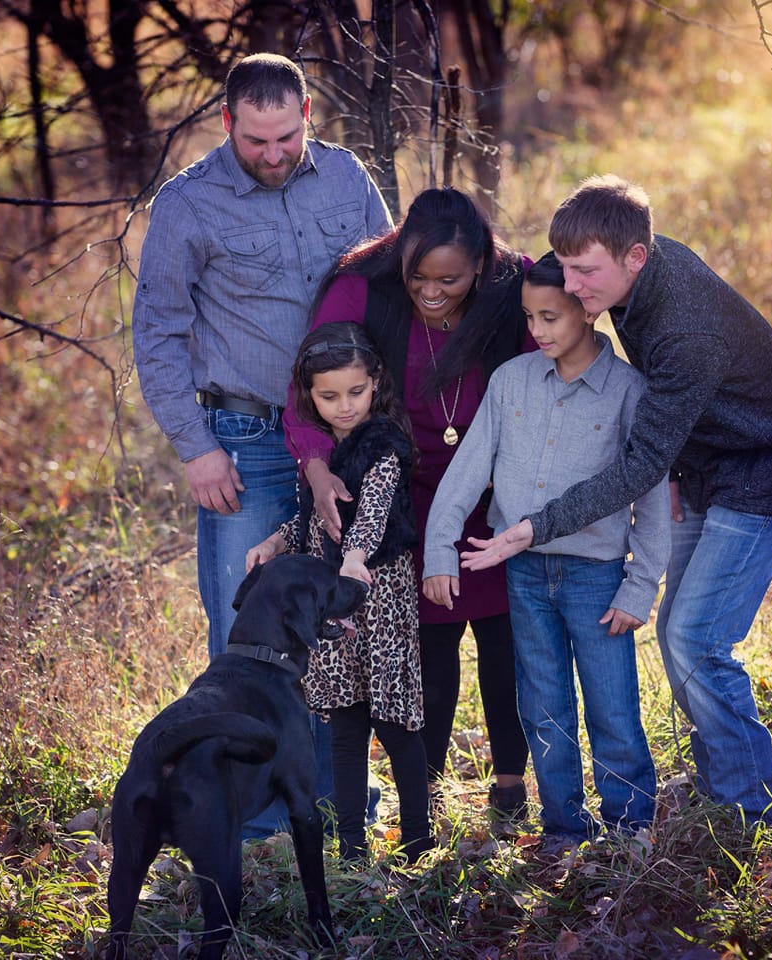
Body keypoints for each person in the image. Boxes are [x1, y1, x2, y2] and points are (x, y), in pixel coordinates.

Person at [461, 176, 772, 827]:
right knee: (675, 631)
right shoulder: (644, 269)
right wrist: (680, 468)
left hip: (770, 474)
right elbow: (667, 413)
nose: (572, 287)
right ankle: (722, 785)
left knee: (696, 637)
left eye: (585, 271)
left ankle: (754, 810)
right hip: (709, 467)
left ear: (634, 257)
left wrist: (535, 526)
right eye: (566, 268)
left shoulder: (684, 326)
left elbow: (637, 466)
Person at [133, 53, 391, 834]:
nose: (273, 153)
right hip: (243, 443)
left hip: (344, 437)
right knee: (246, 638)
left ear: (307, 113)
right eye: (255, 140)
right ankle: (245, 817)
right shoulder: (188, 205)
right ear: (226, 124)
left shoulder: (347, 178)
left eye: (285, 136)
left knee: (338, 628)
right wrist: (195, 447)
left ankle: (321, 797)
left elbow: (392, 286)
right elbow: (158, 331)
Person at [285, 188, 533, 821]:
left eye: (449, 279)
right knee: (432, 647)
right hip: (403, 493)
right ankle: (431, 796)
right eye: (417, 275)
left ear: (481, 265)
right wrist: (317, 463)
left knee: (506, 646)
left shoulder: (515, 289)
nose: (431, 292)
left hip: (497, 495)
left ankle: (510, 787)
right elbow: (307, 381)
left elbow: (557, 364)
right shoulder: (362, 286)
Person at [423, 253, 670, 841]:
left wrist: (641, 585)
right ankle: (563, 828)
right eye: (530, 317)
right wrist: (439, 548)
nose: (537, 330)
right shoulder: (511, 381)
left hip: (598, 577)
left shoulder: (629, 392)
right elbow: (466, 470)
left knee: (611, 707)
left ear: (588, 310)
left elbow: (653, 497)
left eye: (551, 318)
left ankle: (629, 828)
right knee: (542, 705)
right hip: (525, 574)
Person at [246, 323, 432, 865]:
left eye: (355, 392)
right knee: (346, 722)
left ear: (375, 382)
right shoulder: (322, 453)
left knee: (395, 720)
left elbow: (373, 509)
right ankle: (351, 845)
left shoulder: (384, 443)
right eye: (328, 397)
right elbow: (309, 519)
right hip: (333, 605)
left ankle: (418, 842)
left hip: (381, 596)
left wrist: (354, 557)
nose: (344, 406)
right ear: (311, 395)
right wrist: (275, 542)